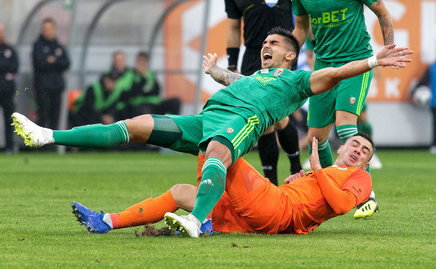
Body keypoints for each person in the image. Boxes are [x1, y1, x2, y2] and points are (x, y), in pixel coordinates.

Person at [13, 27, 411, 238]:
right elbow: (234, 79)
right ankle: (49, 136)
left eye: (273, 43)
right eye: (265, 43)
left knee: (218, 156)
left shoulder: (296, 81)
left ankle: (196, 222)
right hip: (207, 119)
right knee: (137, 126)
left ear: (290, 54)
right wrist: (214, 71)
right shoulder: (255, 77)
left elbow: (335, 73)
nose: (265, 46)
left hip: (239, 126)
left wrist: (373, 60)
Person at [72, 133, 374, 236]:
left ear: (365, 163)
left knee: (222, 147)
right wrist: (300, 179)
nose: (358, 150)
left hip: (274, 208)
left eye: (364, 151)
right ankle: (107, 221)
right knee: (180, 192)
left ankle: (201, 218)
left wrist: (317, 171)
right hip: (266, 214)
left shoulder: (359, 176)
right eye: (354, 144)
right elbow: (313, 202)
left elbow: (343, 205)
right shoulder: (325, 172)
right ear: (342, 147)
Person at [291, 0, 395, 218]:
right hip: (324, 66)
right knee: (316, 137)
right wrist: (288, 57)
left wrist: (386, 49)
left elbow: (383, 12)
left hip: (357, 61)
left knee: (346, 124)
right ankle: (329, 189)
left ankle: (367, 194)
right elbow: (300, 29)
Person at [225, 0, 300, 185]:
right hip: (252, 58)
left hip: (282, 58)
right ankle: (271, 183)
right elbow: (234, 28)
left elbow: (303, 16)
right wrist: (232, 63)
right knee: (263, 120)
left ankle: (296, 165)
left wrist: (299, 48)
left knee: (279, 117)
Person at [31, 17, 70, 130]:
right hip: (43, 86)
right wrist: (54, 61)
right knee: (43, 115)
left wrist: (53, 60)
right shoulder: (38, 45)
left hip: (57, 86)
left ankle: (53, 144)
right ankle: (40, 144)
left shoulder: (59, 46)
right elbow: (39, 63)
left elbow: (66, 63)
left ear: (54, 29)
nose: (47, 31)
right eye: (45, 28)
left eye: (49, 28)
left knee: (55, 116)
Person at [124, 51, 181, 116]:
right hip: (140, 104)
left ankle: (174, 123)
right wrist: (143, 79)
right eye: (141, 61)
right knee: (146, 111)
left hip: (155, 103)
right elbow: (133, 92)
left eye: (145, 62)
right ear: (137, 62)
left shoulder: (151, 74)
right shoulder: (131, 74)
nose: (143, 64)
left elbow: (157, 91)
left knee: (175, 102)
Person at [0, 24, 18, 153]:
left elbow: (14, 67)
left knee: (9, 118)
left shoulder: (10, 50)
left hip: (7, 90)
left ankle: (10, 146)